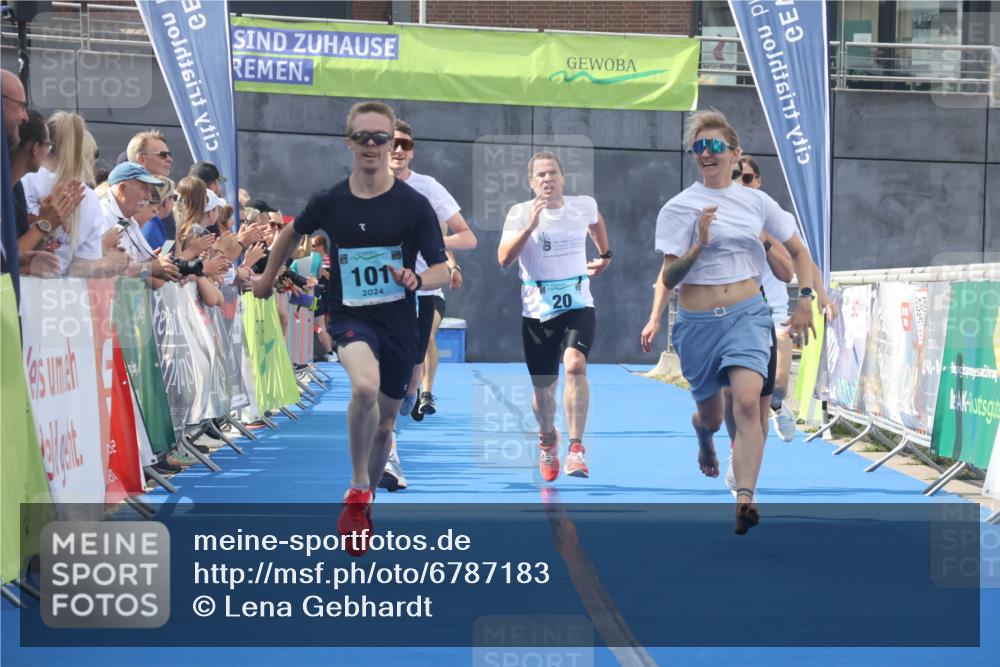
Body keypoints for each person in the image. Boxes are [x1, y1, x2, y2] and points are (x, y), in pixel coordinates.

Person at [253, 101, 448, 555]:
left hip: (399, 321)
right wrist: (266, 278)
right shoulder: (331, 201)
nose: (374, 146)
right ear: (350, 142)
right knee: (364, 386)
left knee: (386, 424)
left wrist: (417, 278)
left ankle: (365, 500)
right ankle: (358, 483)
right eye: (365, 137)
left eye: (383, 138)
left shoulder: (414, 205)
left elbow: (442, 268)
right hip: (350, 316)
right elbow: (289, 232)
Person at [654, 109, 815, 534]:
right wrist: (699, 245)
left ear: (735, 153)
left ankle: (745, 497)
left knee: (747, 401)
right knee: (711, 413)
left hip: (747, 314)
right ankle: (705, 438)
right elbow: (669, 276)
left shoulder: (756, 202)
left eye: (714, 146)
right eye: (698, 147)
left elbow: (800, 253)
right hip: (698, 323)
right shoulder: (679, 207)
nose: (706, 154)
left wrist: (806, 299)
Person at [497, 152, 612, 482]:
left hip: (578, 301)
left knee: (576, 364)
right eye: (540, 176)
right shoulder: (520, 213)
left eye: (553, 174)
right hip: (538, 310)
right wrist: (530, 226)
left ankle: (576, 449)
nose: (547, 180)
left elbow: (597, 223)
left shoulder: (582, 205)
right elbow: (504, 258)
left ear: (563, 178)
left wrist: (605, 255)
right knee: (543, 390)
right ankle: (547, 437)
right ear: (531, 183)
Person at [380, 119, 478, 491]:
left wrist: (435, 242)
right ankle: (390, 459)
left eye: (405, 144)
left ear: (412, 150)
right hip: (380, 298)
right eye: (392, 144)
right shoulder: (365, 186)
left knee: (411, 377)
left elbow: (467, 238)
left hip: (422, 293)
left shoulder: (428, 188)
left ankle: (412, 393)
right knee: (380, 384)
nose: (399, 151)